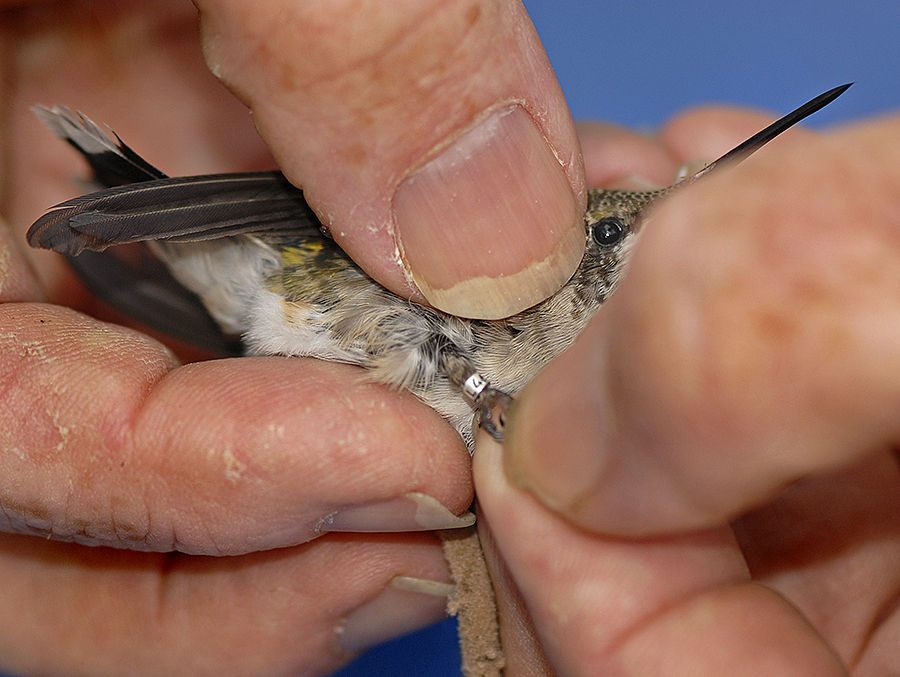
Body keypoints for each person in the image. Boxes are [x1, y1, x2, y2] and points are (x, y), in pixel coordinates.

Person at [1, 0, 897, 675]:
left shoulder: (596, 359)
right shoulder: (537, 282)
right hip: (313, 282)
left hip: (293, 340)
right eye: (622, 233)